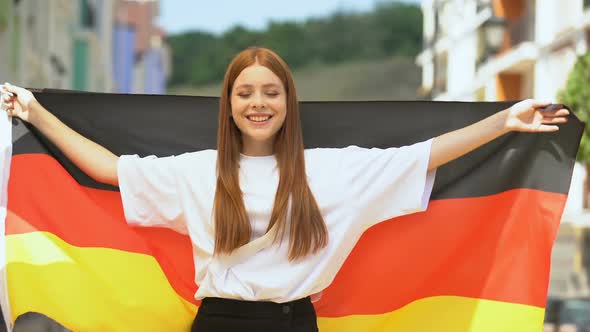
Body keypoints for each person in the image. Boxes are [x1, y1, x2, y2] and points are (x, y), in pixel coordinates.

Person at [0, 47, 569, 332]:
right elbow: (107, 169)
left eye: (270, 91)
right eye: (244, 92)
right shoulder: (198, 172)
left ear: (288, 103)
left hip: (295, 322)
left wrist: (504, 123)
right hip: (220, 322)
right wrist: (36, 112)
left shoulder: (334, 172)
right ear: (229, 104)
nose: (257, 103)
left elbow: (424, 155)